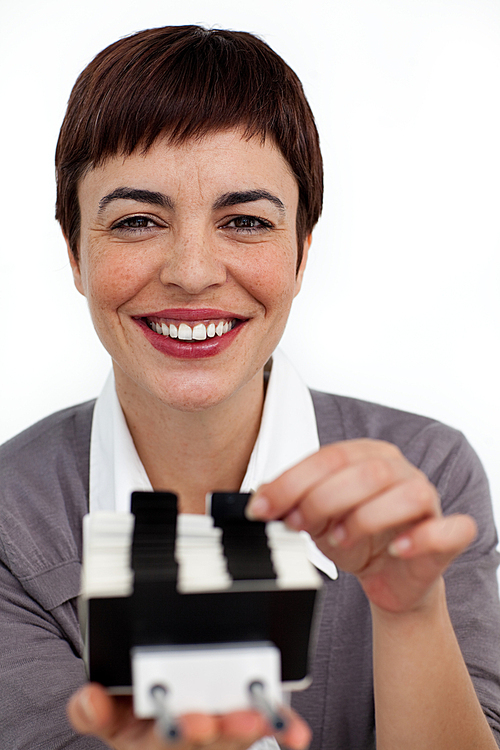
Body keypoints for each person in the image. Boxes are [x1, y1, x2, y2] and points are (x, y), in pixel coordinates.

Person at [0, 24, 499, 750]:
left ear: (301, 253)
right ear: (75, 251)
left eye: (245, 221)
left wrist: (411, 612)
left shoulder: (425, 478)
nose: (193, 271)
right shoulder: (12, 523)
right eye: (137, 220)